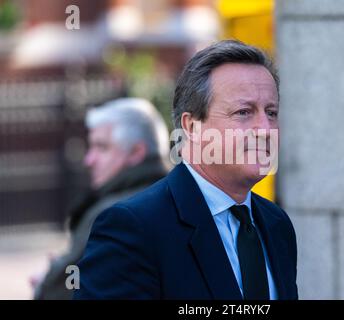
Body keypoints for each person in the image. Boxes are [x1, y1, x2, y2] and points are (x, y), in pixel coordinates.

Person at [74, 40, 298, 300]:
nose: (265, 129)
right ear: (192, 127)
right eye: (243, 112)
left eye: (271, 112)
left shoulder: (276, 224)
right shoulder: (133, 228)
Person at [32, 97, 171, 299]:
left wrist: (48, 278)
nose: (89, 160)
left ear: (136, 152)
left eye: (102, 147)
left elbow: (60, 290)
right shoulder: (182, 198)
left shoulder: (112, 213)